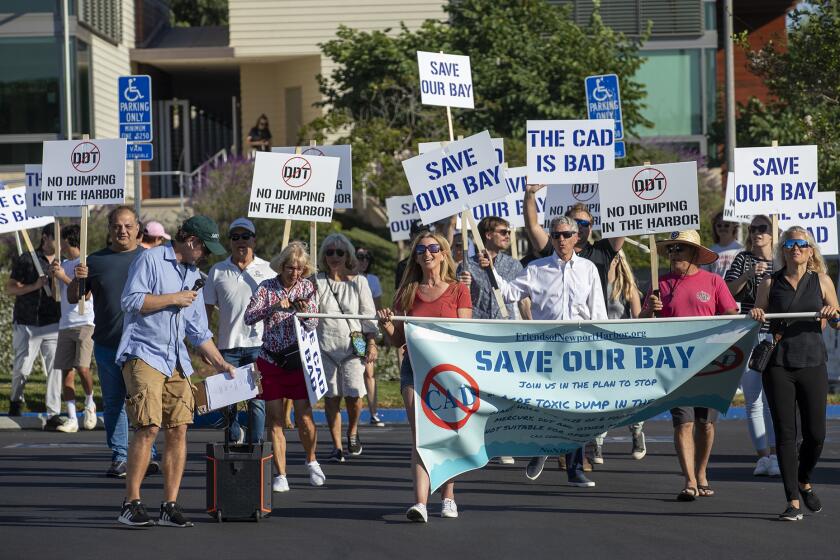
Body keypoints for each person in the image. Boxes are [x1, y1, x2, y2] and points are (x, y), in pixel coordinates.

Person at [115, 215, 236, 528]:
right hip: (143, 354)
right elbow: (130, 300)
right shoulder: (151, 259)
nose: (206, 256)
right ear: (192, 242)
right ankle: (132, 503)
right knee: (148, 426)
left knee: (179, 428)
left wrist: (220, 362)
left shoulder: (195, 274)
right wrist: (173, 298)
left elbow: (198, 331)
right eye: (205, 249)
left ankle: (169, 505)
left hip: (175, 359)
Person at [488, 216, 606, 488]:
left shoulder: (588, 269)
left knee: (576, 409)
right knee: (545, 404)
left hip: (578, 348)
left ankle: (575, 468)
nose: (560, 240)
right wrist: (490, 269)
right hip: (546, 349)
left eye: (566, 235)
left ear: (577, 237)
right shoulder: (536, 268)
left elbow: (597, 312)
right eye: (556, 235)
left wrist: (598, 346)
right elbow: (508, 293)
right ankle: (543, 448)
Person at [377, 231, 471, 522]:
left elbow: (465, 333)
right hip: (414, 369)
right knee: (420, 438)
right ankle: (420, 503)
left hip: (448, 371)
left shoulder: (459, 290)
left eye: (433, 248)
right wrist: (385, 326)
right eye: (421, 249)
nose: (427, 253)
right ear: (416, 256)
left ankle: (448, 497)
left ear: (443, 254)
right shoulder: (407, 291)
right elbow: (397, 340)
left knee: (445, 434)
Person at [640, 230, 738, 502]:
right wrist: (648, 309)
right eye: (671, 249)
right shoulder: (658, 284)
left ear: (695, 253)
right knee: (684, 422)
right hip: (675, 365)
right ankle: (690, 480)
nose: (673, 254)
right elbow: (641, 323)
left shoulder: (714, 281)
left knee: (705, 424)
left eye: (680, 248)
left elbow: (732, 316)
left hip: (709, 363)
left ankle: (702, 472)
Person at [749, 226, 840, 521]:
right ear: (783, 250)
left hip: (813, 363)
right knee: (787, 434)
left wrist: (832, 315)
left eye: (801, 243)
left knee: (816, 435)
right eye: (790, 244)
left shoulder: (822, 281)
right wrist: (756, 314)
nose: (795, 248)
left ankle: (804, 480)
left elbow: (838, 320)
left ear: (810, 250)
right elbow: (757, 316)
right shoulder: (769, 282)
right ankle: (792, 500)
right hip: (779, 365)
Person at [70, 206, 160, 478]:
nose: (122, 230)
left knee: (143, 402)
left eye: (128, 226)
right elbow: (74, 297)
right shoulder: (94, 261)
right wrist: (78, 279)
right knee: (114, 403)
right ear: (109, 230)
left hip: (142, 346)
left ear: (138, 229)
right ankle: (120, 457)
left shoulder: (151, 258)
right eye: (117, 226)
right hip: (108, 344)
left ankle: (148, 455)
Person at [244, 241, 324, 494]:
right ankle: (281, 473)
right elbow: (249, 317)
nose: (295, 273)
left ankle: (311, 459)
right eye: (291, 268)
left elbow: (313, 325)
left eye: (300, 268)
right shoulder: (267, 287)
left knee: (305, 416)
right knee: (275, 419)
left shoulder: (308, 288)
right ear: (281, 266)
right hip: (270, 359)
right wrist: (275, 306)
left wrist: (305, 314)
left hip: (298, 360)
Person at [205, 217, 274, 444]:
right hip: (227, 346)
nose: (241, 241)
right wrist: (207, 345)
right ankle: (235, 435)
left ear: (254, 239)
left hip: (259, 346)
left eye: (245, 236)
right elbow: (206, 311)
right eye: (235, 237)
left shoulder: (269, 270)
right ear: (230, 241)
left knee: (257, 401)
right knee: (228, 401)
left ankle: (256, 447)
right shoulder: (217, 270)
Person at [315, 234, 378, 462]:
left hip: (353, 346)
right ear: (323, 255)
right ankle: (336, 446)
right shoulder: (317, 281)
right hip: (325, 347)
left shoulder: (359, 281)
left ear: (348, 255)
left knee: (354, 395)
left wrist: (371, 342)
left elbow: (369, 317)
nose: (334, 257)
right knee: (331, 398)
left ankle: (352, 431)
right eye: (329, 252)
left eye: (339, 252)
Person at [724, 215, 779, 477]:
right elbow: (727, 293)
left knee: (774, 399)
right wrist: (747, 274)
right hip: (749, 334)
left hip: (775, 336)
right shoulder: (743, 259)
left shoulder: (783, 259)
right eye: (753, 228)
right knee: (753, 399)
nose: (757, 233)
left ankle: (778, 455)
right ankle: (763, 457)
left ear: (772, 232)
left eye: (763, 228)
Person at [523, 186, 624, 300]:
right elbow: (532, 226)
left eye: (584, 223)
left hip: (594, 317)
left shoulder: (601, 251)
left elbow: (620, 227)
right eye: (575, 222)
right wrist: (530, 194)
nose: (579, 226)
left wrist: (618, 191)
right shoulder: (555, 247)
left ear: (590, 228)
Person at [591, 250, 646, 463]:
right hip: (598, 347)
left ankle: (637, 432)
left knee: (630, 397)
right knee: (600, 397)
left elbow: (638, 317)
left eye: (615, 258)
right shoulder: (593, 282)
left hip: (622, 348)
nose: (612, 262)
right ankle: (597, 443)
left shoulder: (627, 288)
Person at [6, 223, 63, 427]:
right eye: (55, 237)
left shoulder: (62, 261)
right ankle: (16, 400)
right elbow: (11, 288)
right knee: (23, 368)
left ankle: (54, 412)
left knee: (55, 368)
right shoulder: (27, 259)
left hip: (53, 323)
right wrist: (34, 286)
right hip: (27, 322)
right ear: (45, 238)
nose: (59, 242)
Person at [49, 224, 96, 433]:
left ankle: (89, 402)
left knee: (82, 368)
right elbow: (55, 295)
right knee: (66, 371)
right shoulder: (64, 263)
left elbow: (84, 294)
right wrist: (53, 275)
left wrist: (63, 277)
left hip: (85, 322)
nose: (59, 244)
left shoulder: (84, 263)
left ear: (69, 241)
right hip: (65, 324)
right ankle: (71, 418)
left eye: (62, 240)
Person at [355, 246, 386, 427]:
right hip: (352, 331)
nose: (364, 260)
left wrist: (379, 333)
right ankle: (356, 413)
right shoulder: (347, 278)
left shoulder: (373, 280)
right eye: (360, 257)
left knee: (369, 371)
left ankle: (373, 412)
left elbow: (378, 307)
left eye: (367, 257)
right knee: (355, 371)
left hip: (367, 332)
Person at [704, 211, 743, 278]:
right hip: (716, 288)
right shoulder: (710, 251)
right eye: (719, 225)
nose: (722, 228)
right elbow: (705, 275)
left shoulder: (741, 250)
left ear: (734, 226)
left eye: (726, 225)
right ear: (715, 227)